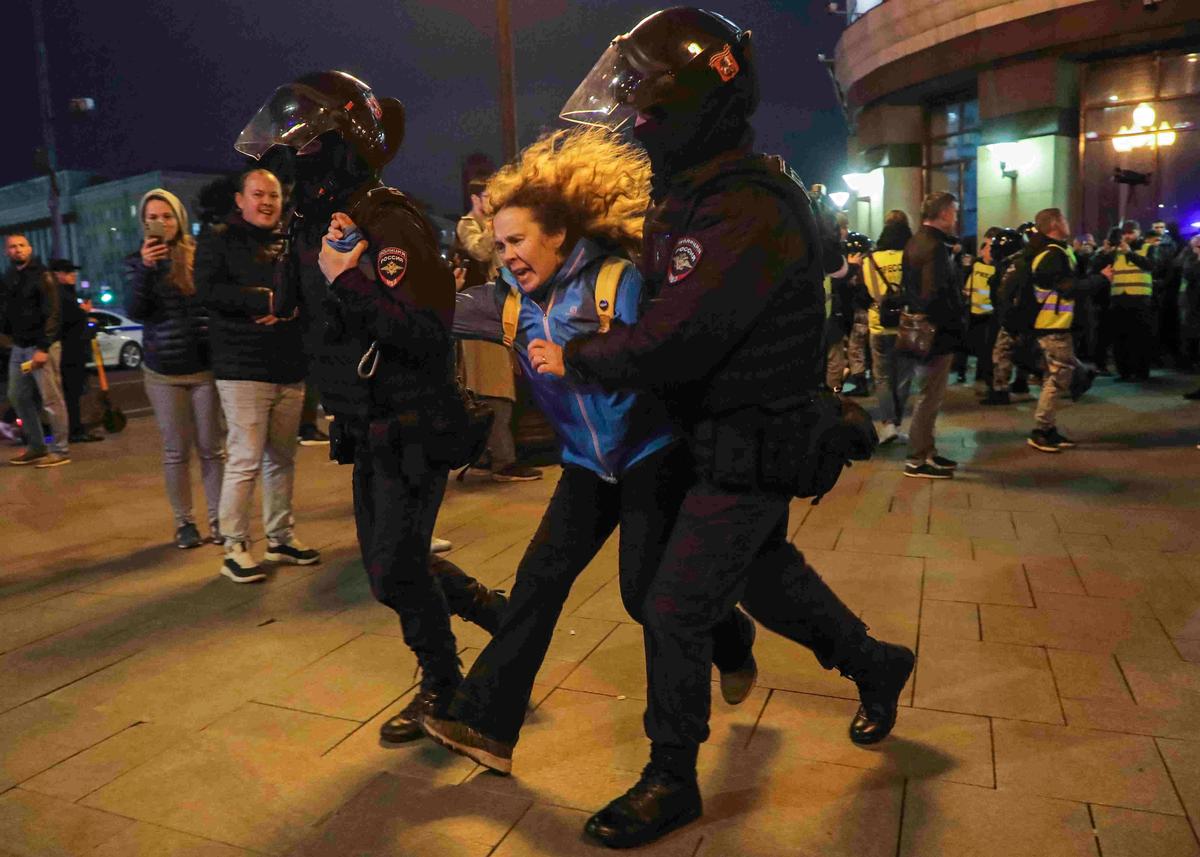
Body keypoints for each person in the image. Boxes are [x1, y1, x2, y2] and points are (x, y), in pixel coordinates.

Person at [537, 10, 915, 847]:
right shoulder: (700, 192)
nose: (636, 124)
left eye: (649, 106)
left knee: (673, 607)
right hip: (709, 440)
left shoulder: (742, 205)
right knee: (762, 575)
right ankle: (872, 660)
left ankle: (670, 776)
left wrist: (584, 355)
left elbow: (680, 336)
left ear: (698, 103)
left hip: (751, 444)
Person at [421, 127, 757, 775]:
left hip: (651, 457)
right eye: (500, 245)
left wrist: (573, 359)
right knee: (538, 583)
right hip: (585, 466)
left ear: (558, 232)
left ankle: (731, 633)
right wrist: (352, 280)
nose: (509, 255)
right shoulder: (507, 304)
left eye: (518, 240)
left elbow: (655, 360)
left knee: (642, 595)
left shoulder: (615, 282)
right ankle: (486, 723)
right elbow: (434, 310)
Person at [237, 70, 505, 741]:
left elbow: (421, 329)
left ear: (342, 139)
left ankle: (446, 684)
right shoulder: (316, 220)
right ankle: (499, 614)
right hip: (366, 422)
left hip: (415, 420)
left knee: (393, 570)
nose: (295, 152)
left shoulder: (390, 220)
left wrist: (347, 278)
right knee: (394, 565)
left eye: (308, 139)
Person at [196, 168, 319, 581]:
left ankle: (280, 536)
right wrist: (264, 299)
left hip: (288, 365)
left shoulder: (290, 243)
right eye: (257, 194)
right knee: (246, 459)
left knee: (282, 458)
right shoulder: (218, 239)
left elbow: (308, 295)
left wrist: (293, 305)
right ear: (240, 199)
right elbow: (208, 292)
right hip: (243, 368)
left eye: (274, 195)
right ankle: (233, 545)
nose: (267, 201)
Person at [125, 189, 224, 548]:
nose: (161, 223)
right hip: (162, 370)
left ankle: (219, 521)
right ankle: (185, 523)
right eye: (153, 217)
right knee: (175, 451)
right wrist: (146, 270)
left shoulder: (199, 254)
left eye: (167, 216)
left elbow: (212, 304)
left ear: (179, 218)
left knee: (212, 449)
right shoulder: (137, 261)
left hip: (203, 368)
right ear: (144, 222)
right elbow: (135, 310)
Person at [455, 177, 541, 482]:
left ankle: (488, 457)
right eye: (488, 195)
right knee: (493, 386)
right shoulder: (468, 223)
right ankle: (501, 461)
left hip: (504, 307)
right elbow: (479, 251)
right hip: (482, 313)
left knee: (498, 385)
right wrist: (493, 225)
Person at [1016, 208, 1113, 453]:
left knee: (1057, 376)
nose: (1068, 223)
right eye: (1065, 219)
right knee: (1058, 379)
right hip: (1053, 325)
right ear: (1055, 224)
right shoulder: (1052, 254)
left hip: (1052, 324)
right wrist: (1101, 279)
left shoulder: (1052, 251)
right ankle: (1042, 430)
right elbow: (1068, 288)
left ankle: (1047, 429)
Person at [900, 192, 965, 479]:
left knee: (930, 395)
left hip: (923, 331)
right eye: (954, 211)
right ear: (944, 213)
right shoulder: (935, 247)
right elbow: (932, 295)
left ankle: (927, 451)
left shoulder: (916, 240)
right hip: (936, 333)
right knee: (929, 397)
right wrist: (955, 315)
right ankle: (916, 459)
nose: (956, 216)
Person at [3, 233, 70, 467]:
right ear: (6, 252)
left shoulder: (43, 275)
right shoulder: (10, 276)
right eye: (12, 247)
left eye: (21, 245)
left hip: (42, 347)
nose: (17, 250)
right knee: (18, 396)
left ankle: (60, 450)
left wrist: (43, 347)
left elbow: (53, 312)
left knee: (51, 400)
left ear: (29, 248)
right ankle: (36, 446)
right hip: (19, 347)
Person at [861, 211, 914, 443]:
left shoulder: (869, 260)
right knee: (903, 377)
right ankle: (898, 421)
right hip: (905, 324)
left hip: (878, 324)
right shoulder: (910, 257)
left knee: (881, 377)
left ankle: (888, 424)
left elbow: (864, 292)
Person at [48, 259, 103, 444]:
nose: (73, 275)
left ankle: (74, 428)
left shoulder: (65, 295)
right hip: (69, 353)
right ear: (57, 275)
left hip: (71, 352)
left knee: (72, 393)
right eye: (68, 272)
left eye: (73, 271)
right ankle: (74, 430)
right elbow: (73, 326)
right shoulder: (61, 297)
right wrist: (86, 318)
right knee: (71, 394)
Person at [1109, 219, 1156, 381]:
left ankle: (1141, 372)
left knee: (1140, 338)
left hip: (1140, 298)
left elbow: (1151, 265)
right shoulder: (1116, 251)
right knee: (1120, 338)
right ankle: (1124, 372)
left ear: (1139, 233)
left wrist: (1130, 253)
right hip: (1118, 298)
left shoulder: (1147, 248)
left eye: (1131, 232)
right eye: (1124, 233)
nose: (1127, 236)